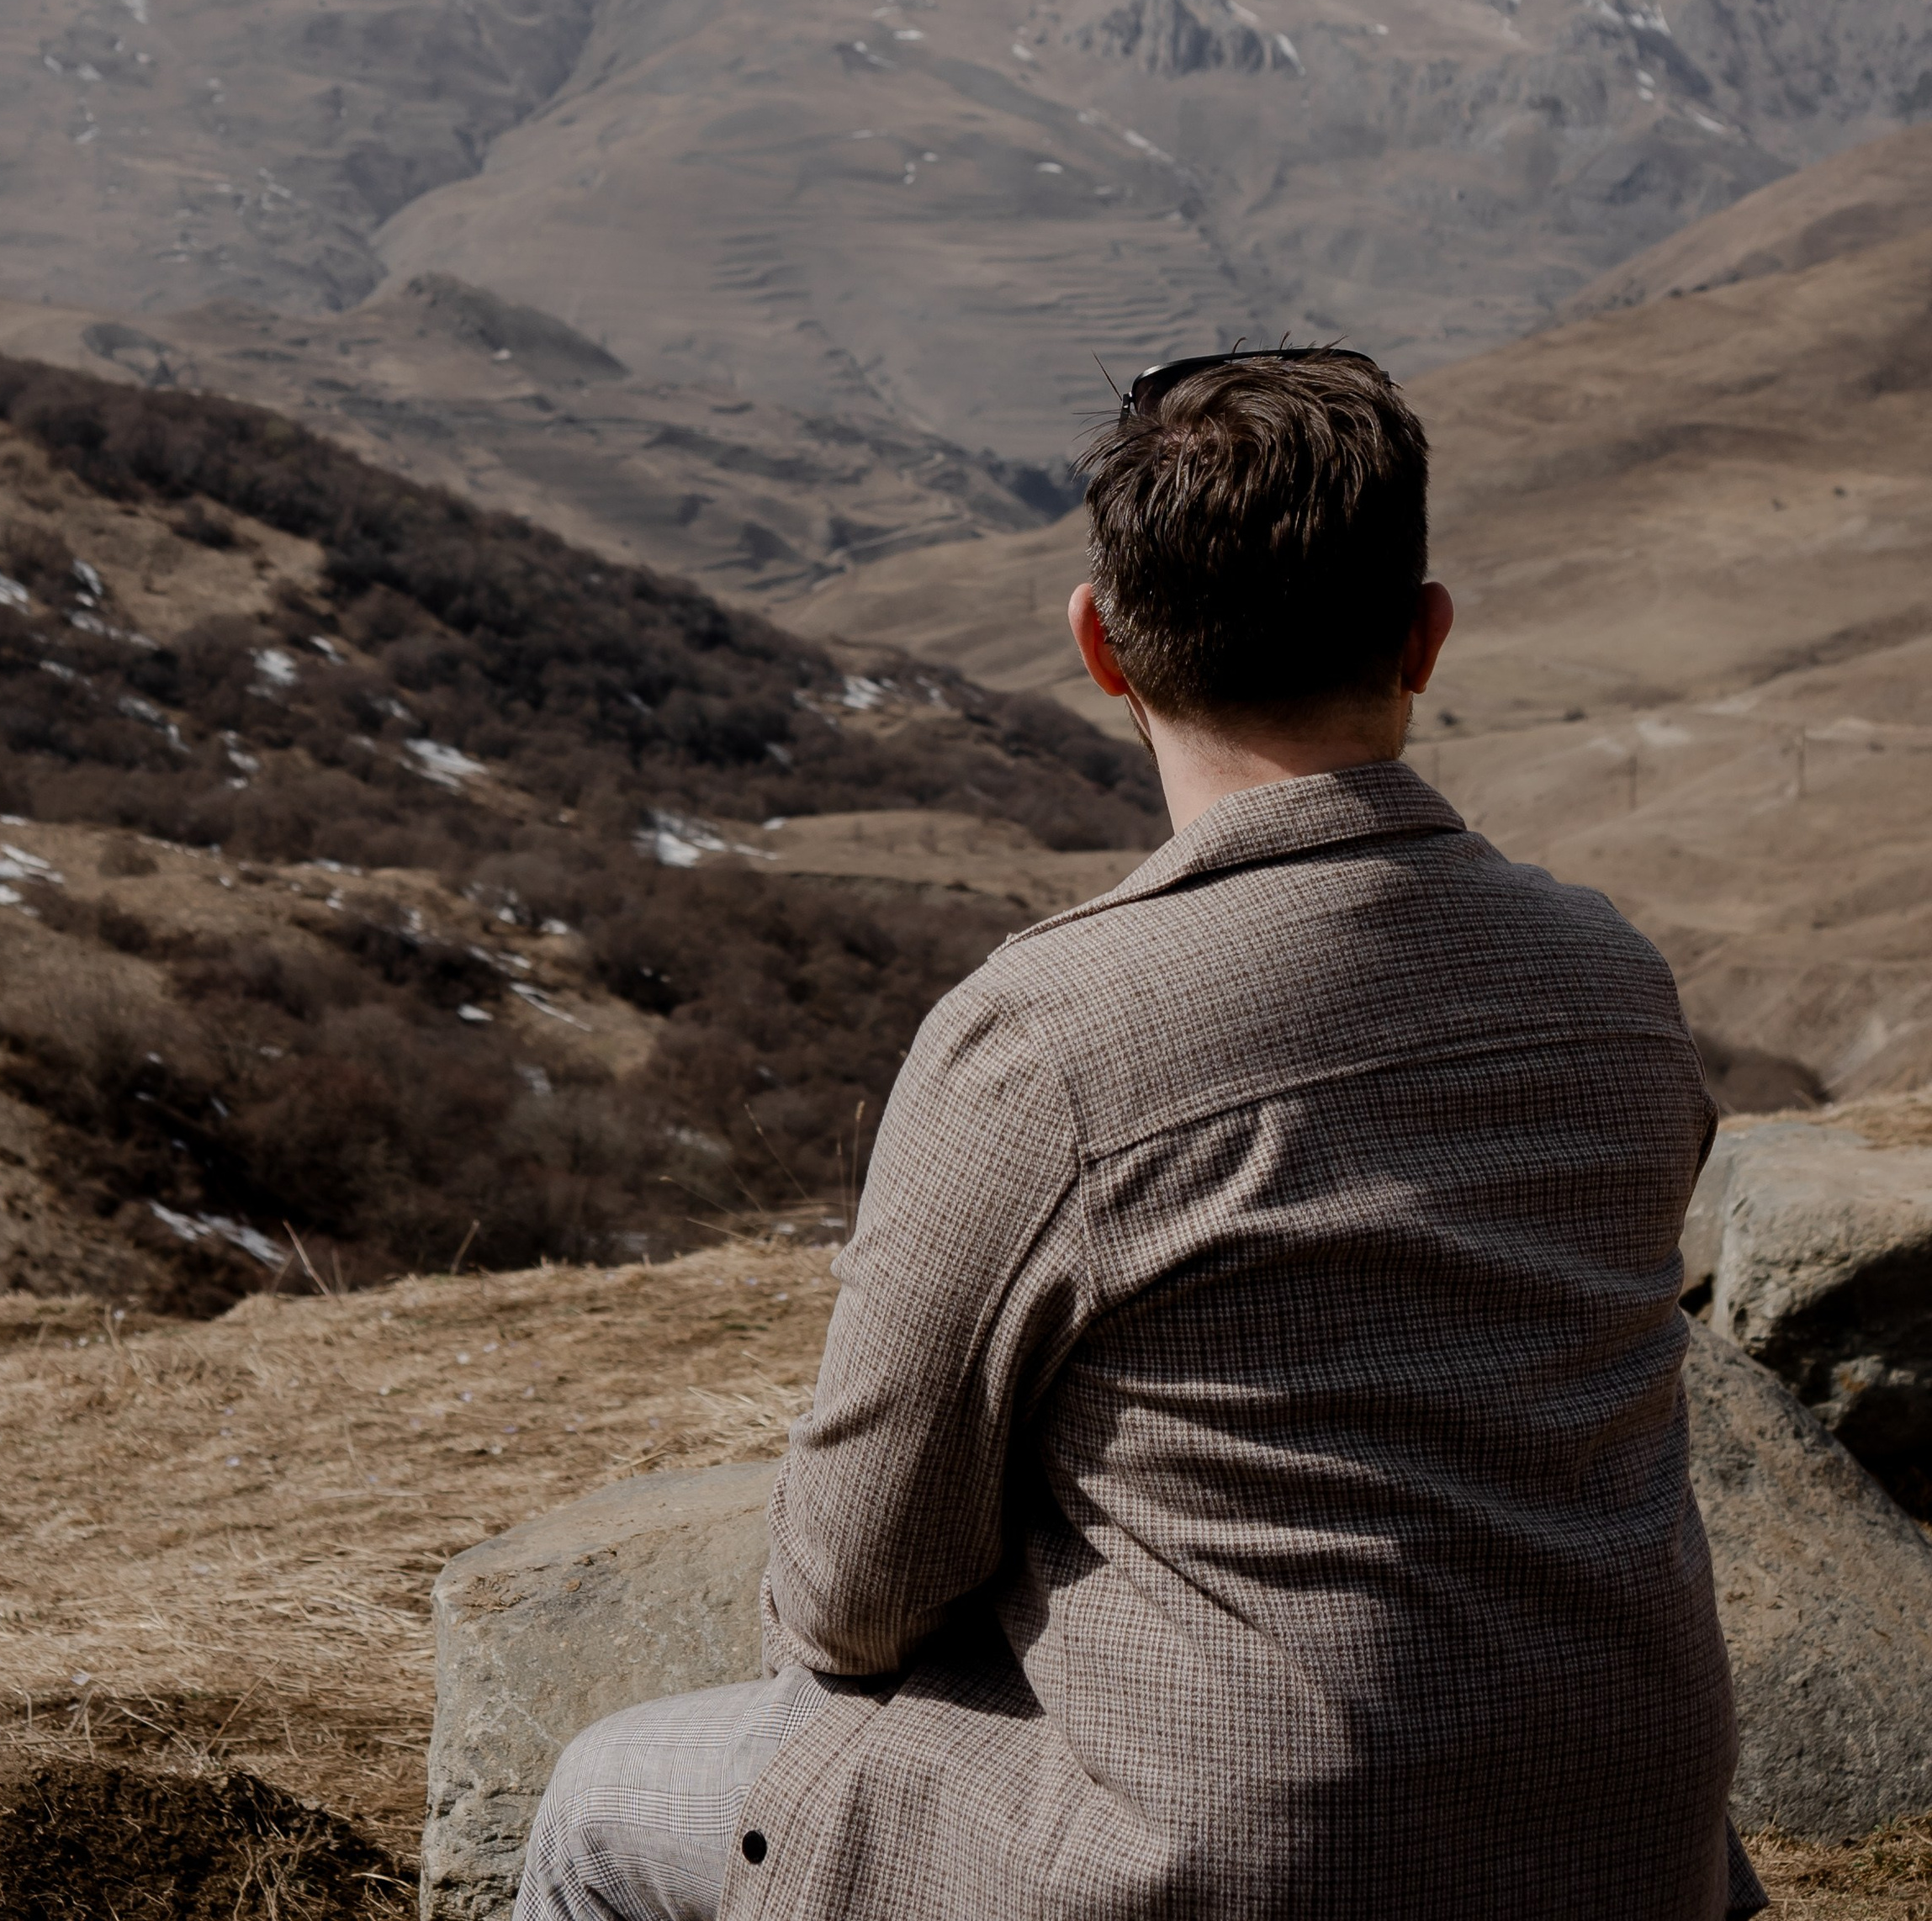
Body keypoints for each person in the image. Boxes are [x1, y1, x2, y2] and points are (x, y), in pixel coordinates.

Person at [517, 347, 1760, 1921]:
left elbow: (853, 1590)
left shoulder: (1049, 1035)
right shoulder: (1616, 983)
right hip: (1631, 1837)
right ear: (1425, 635)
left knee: (601, 1803)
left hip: (1240, 1868)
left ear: (1100, 646)